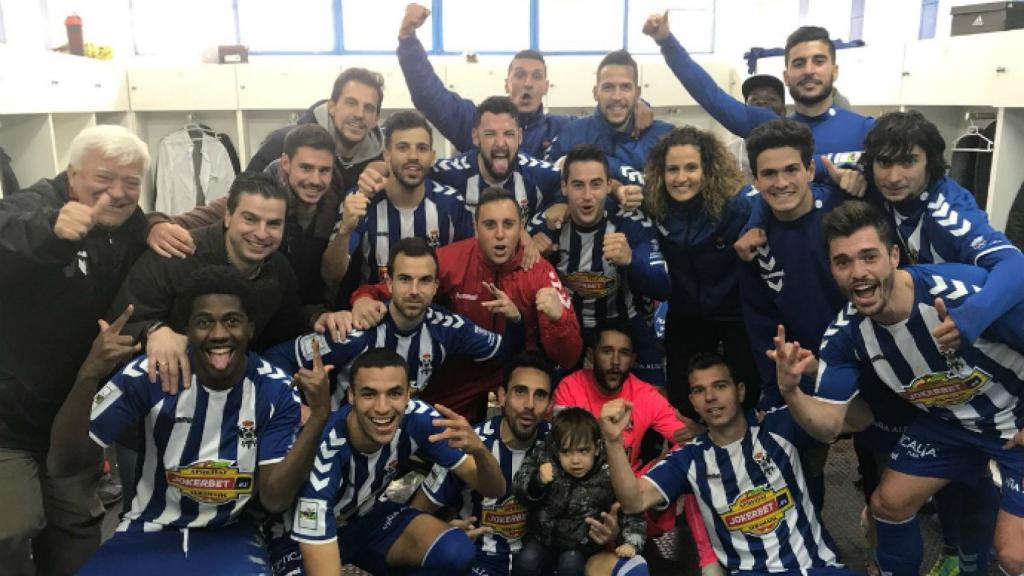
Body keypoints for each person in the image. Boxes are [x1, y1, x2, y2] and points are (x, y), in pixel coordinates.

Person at [774, 199, 1024, 576]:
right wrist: (792, 391)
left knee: (1013, 555)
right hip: (948, 425)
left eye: (868, 256)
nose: (858, 272)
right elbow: (828, 426)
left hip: (1014, 421)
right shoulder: (844, 335)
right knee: (887, 505)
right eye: (843, 262)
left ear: (893, 255)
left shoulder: (961, 291)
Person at [48, 265, 332, 574]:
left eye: (232, 321)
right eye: (204, 322)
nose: (219, 334)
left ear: (250, 327)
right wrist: (88, 376)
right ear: (187, 329)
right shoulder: (151, 373)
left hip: (230, 534)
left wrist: (319, 415)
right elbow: (63, 464)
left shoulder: (275, 390)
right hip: (146, 530)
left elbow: (275, 499)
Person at [0, 125, 150, 576]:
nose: (119, 193)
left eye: (132, 182)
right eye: (105, 178)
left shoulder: (127, 222)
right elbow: (9, 228)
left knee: (77, 539)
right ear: (72, 174)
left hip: (72, 413)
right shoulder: (36, 209)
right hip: (9, 416)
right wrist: (50, 230)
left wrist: (158, 226)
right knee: (12, 527)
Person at [600, 352, 868, 576]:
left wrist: (816, 372)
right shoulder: (689, 459)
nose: (710, 397)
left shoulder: (779, 426)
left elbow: (861, 419)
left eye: (719, 386)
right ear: (692, 401)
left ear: (739, 391)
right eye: (699, 390)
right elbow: (634, 501)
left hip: (818, 568)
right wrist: (613, 442)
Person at [350, 187, 582, 421]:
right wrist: (363, 299)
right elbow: (392, 289)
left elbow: (569, 358)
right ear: (476, 228)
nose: (500, 234)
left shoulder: (539, 272)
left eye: (508, 225)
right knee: (430, 429)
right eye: (490, 225)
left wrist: (558, 319)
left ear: (521, 228)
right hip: (460, 377)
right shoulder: (451, 260)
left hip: (517, 376)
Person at [110, 172, 352, 395]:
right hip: (162, 400)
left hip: (237, 400)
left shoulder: (277, 268)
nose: (261, 233)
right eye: (250, 219)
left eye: (273, 224)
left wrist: (317, 317)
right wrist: (153, 331)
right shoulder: (177, 254)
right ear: (227, 215)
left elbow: (287, 322)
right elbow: (119, 323)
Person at [288, 348, 507, 576]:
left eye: (394, 393)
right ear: (351, 395)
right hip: (302, 531)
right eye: (369, 394)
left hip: (367, 516)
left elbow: (494, 488)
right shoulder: (326, 453)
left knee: (455, 551)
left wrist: (480, 451)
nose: (383, 407)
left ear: (408, 395)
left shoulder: (419, 418)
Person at [264, 237, 522, 407]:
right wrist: (296, 411)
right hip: (343, 440)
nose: (414, 290)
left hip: (403, 440)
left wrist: (514, 320)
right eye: (405, 279)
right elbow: (276, 358)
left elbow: (505, 352)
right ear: (388, 284)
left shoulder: (449, 328)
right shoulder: (356, 330)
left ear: (435, 287)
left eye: (424, 281)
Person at [553, 322, 719, 573]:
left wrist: (701, 432)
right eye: (607, 351)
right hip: (581, 496)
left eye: (624, 353)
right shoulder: (569, 388)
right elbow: (561, 458)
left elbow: (685, 438)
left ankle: (707, 560)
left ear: (633, 359)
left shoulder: (643, 393)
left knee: (690, 456)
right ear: (591, 355)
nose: (616, 361)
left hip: (629, 499)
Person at [642, 13, 872, 186]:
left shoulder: (866, 130)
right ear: (787, 76)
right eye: (799, 63)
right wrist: (666, 41)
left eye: (819, 61)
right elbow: (711, 96)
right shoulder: (771, 129)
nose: (809, 71)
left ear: (834, 71)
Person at [860, 110, 1024, 347]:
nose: (894, 177)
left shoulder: (946, 210)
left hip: (1007, 335)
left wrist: (970, 317)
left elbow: (1015, 264)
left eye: (909, 161)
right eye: (884, 162)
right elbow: (832, 161)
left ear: (929, 161)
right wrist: (835, 174)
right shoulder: (892, 192)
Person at [147, 124, 343, 306]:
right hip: (256, 313)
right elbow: (180, 222)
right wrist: (154, 225)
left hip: (304, 316)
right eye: (306, 168)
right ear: (286, 163)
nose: (315, 180)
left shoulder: (335, 202)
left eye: (324, 170)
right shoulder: (253, 199)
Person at [641, 125, 759, 417]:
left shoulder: (735, 206)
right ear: (661, 173)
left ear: (708, 169)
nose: (681, 178)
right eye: (673, 169)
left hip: (735, 315)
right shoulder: (655, 205)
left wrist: (758, 226)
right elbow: (614, 182)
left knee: (746, 396)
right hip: (684, 315)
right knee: (683, 400)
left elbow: (768, 200)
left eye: (691, 167)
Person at [530, 144, 669, 386]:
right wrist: (534, 255)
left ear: (609, 186)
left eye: (595, 184)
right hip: (568, 328)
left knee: (655, 403)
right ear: (564, 188)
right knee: (554, 405)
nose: (587, 196)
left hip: (626, 326)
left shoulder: (631, 222)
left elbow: (663, 287)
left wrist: (631, 260)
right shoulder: (547, 224)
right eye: (577, 185)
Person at [321, 110, 474, 287]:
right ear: (386, 156)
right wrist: (344, 231)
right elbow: (331, 276)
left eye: (422, 148)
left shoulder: (452, 204)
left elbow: (469, 272)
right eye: (403, 147)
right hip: (375, 309)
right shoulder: (361, 199)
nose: (413, 156)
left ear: (432, 157)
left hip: (436, 311)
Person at [512, 407, 648, 576]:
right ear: (556, 449)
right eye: (566, 451)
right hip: (541, 539)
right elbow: (519, 488)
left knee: (571, 567)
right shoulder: (544, 456)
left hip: (580, 547)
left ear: (597, 448)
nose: (575, 460)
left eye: (583, 451)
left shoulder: (609, 471)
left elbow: (631, 510)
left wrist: (630, 542)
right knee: (525, 562)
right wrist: (536, 481)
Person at [247, 68, 385, 187]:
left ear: (376, 119)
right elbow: (240, 199)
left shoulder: (383, 160)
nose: (359, 114)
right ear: (332, 107)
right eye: (351, 103)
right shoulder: (282, 143)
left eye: (369, 108)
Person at [428, 95, 562, 219]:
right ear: (475, 137)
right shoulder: (447, 174)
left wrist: (562, 206)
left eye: (508, 134)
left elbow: (571, 188)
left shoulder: (542, 175)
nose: (500, 143)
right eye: (490, 134)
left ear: (519, 137)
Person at [544, 51, 673, 176]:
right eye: (608, 87)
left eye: (625, 87)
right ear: (595, 93)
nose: (616, 96)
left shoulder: (663, 137)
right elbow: (549, 187)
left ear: (637, 93)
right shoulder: (571, 135)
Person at [726, 75, 786, 180]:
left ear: (783, 112)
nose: (761, 102)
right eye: (754, 99)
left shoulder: (794, 150)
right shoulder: (728, 153)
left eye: (771, 99)